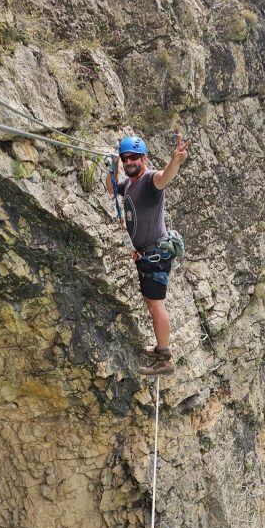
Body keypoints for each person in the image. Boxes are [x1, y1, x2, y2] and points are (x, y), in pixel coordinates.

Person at [105, 133, 190, 376]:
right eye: (125, 158)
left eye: (134, 157)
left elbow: (165, 178)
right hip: (145, 254)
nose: (129, 161)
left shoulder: (150, 181)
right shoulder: (129, 184)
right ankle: (160, 349)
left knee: (155, 305)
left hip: (156, 254)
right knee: (152, 303)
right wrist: (112, 166)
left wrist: (175, 160)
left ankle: (165, 358)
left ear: (144, 158)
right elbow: (111, 188)